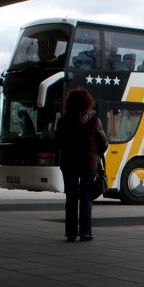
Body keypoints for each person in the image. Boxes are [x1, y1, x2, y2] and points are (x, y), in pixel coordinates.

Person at [55, 88, 108, 242]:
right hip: (89, 165)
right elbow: (104, 144)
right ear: (87, 103)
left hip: (69, 164)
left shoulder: (63, 121)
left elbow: (58, 142)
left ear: (69, 103)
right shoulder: (94, 121)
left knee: (71, 198)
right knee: (86, 198)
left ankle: (70, 233)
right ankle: (86, 233)